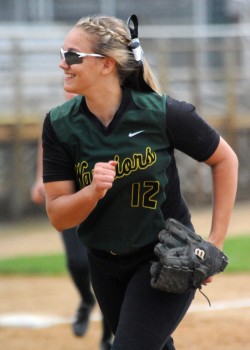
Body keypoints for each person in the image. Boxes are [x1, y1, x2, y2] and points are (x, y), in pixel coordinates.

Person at [41, 14, 238, 350]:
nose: (63, 64)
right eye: (62, 54)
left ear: (106, 65)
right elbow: (59, 216)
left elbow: (224, 159)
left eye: (73, 56)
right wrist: (92, 192)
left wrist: (214, 242)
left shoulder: (161, 113)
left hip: (162, 255)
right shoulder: (60, 126)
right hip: (103, 263)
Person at [31, 95, 113, 350]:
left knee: (110, 271)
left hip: (104, 199)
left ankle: (107, 338)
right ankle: (86, 301)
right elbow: (47, 145)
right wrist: (40, 179)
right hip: (69, 199)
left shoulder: (108, 110)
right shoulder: (60, 118)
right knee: (78, 263)